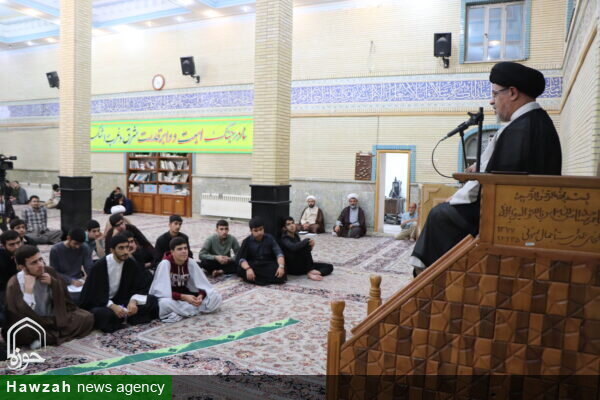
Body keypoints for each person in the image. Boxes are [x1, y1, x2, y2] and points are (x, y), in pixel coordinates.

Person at [409, 62, 562, 277]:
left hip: (503, 220)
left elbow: (492, 184)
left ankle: (430, 277)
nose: (491, 101)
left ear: (512, 93)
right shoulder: (542, 123)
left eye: (495, 94)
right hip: (529, 216)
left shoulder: (517, 131)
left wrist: (456, 199)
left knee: (439, 215)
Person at [3, 245, 94, 347]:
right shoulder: (14, 284)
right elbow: (18, 314)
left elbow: (66, 301)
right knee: (20, 330)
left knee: (87, 317)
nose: (40, 265)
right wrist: (28, 291)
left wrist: (53, 284)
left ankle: (44, 339)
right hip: (34, 322)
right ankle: (46, 336)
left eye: (40, 259)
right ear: (22, 267)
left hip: (53, 318)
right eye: (34, 263)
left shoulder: (49, 271)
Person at [79, 234, 158, 333]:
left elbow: (139, 286)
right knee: (102, 314)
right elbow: (93, 294)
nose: (125, 251)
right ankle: (125, 317)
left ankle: (126, 316)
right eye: (121, 248)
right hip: (103, 303)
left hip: (122, 300)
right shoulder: (100, 266)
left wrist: (133, 301)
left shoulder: (130, 263)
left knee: (152, 300)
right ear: (112, 250)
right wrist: (112, 306)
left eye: (127, 247)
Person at [150, 237, 222, 323]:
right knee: (163, 304)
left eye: (185, 248)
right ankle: (198, 309)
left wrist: (201, 295)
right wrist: (183, 297)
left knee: (215, 295)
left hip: (190, 297)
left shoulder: (190, 262)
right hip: (174, 298)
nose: (184, 251)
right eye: (180, 249)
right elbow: (162, 293)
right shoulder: (165, 264)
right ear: (172, 252)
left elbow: (202, 284)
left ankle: (188, 311)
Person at [236, 217, 286, 286]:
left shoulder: (270, 238)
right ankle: (263, 278)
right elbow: (241, 259)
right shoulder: (247, 241)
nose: (259, 232)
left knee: (282, 271)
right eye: (256, 231)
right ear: (251, 231)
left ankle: (255, 279)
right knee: (240, 270)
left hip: (267, 263)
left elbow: (279, 254)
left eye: (261, 229)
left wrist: (281, 267)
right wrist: (248, 269)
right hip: (254, 264)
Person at [280, 217, 333, 281]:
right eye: (288, 224)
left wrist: (311, 246)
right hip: (294, 268)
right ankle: (310, 270)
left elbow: (303, 252)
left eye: (292, 223)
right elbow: (293, 247)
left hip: (303, 264)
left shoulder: (296, 235)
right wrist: (307, 240)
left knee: (329, 267)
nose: (292, 225)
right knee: (306, 244)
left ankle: (312, 273)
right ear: (284, 228)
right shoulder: (284, 238)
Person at [49, 228, 93, 297]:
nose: (77, 247)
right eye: (75, 244)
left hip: (78, 280)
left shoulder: (84, 247)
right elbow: (54, 272)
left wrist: (91, 278)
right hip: (62, 281)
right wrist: (70, 281)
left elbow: (89, 267)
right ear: (68, 238)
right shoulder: (56, 250)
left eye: (80, 244)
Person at [0, 230, 21, 327]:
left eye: (18, 243)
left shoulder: (24, 252)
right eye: (11, 244)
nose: (16, 247)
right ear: (3, 246)